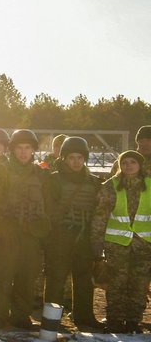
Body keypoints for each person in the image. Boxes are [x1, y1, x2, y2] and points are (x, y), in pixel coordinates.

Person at [0, 129, 53, 330]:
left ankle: (21, 316)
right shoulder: (0, 171)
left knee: (27, 277)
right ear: (13, 150)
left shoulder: (42, 175)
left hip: (31, 235)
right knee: (3, 276)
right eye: (19, 148)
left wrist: (43, 229)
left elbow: (48, 205)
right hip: (6, 234)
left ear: (33, 150)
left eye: (28, 148)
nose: (23, 152)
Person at [91, 150, 151, 333]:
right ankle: (115, 320)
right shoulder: (111, 186)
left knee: (139, 284)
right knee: (116, 283)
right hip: (116, 245)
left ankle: (133, 321)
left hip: (144, 246)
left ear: (140, 165)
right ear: (119, 165)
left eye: (133, 162)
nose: (129, 165)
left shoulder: (150, 185)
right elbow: (100, 216)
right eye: (125, 162)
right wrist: (96, 243)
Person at [46, 137, 103, 330]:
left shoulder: (94, 182)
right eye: (72, 157)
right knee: (56, 279)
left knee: (84, 279)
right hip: (60, 237)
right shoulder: (53, 180)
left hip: (84, 238)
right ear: (64, 158)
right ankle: (51, 321)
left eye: (80, 157)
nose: (76, 161)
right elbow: (48, 209)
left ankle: (84, 318)